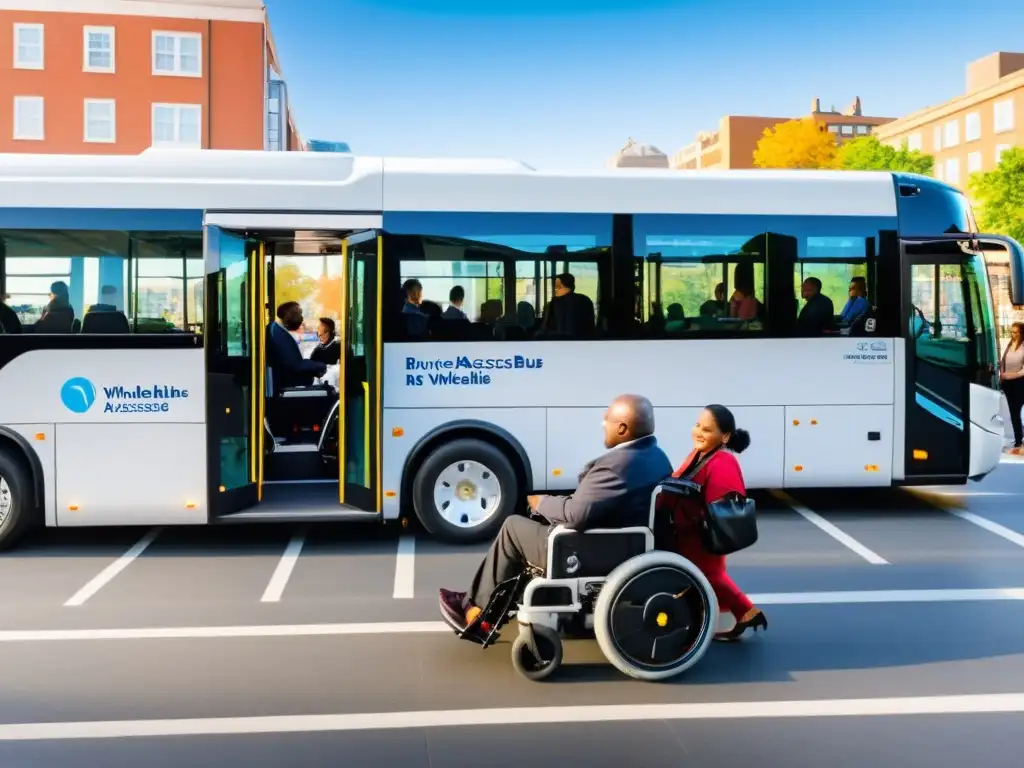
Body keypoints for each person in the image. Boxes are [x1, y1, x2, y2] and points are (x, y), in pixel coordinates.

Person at [438, 394, 672, 637]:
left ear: (623, 428)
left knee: (513, 528)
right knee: (533, 523)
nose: (603, 421)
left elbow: (576, 514)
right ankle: (483, 602)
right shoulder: (655, 456)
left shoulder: (619, 465)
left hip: (592, 550)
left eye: (608, 418)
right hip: (618, 541)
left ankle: (478, 614)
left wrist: (541, 502)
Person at [660, 404, 766, 641]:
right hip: (687, 533)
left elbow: (721, 503)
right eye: (697, 425)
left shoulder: (722, 461)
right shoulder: (699, 454)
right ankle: (732, 615)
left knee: (709, 577)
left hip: (701, 537)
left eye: (706, 430)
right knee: (706, 578)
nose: (698, 432)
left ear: (724, 436)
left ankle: (746, 612)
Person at [266, 301, 327, 389]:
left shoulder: (276, 330)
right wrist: (319, 366)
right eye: (299, 314)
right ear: (291, 315)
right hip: (289, 385)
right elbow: (295, 365)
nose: (302, 319)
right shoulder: (280, 335)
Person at [1000, 322, 1024, 455]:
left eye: (1016, 332)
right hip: (1008, 384)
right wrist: (1002, 376)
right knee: (1014, 413)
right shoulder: (1010, 345)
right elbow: (1004, 361)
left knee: (1021, 412)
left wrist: (1010, 375)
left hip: (1020, 383)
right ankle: (1018, 440)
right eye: (1011, 332)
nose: (1013, 335)